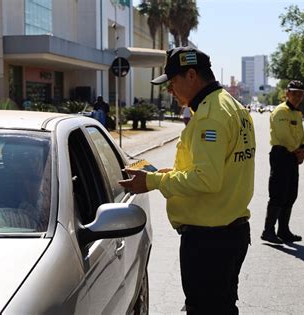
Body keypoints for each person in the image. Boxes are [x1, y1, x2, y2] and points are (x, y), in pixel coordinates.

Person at [119, 47, 255, 314]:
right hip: (230, 234)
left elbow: (206, 180)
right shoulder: (232, 106)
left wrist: (153, 182)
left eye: (172, 82)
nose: (170, 90)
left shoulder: (209, 116)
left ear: (191, 75)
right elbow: (216, 170)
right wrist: (167, 174)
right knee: (223, 307)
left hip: (210, 242)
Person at [260, 80, 304, 244]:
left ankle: (283, 230)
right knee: (278, 194)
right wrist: (298, 151)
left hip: (293, 156)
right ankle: (268, 231)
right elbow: (284, 136)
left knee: (290, 194)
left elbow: (301, 134)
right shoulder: (281, 111)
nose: (297, 97)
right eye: (294, 93)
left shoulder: (297, 113)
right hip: (281, 155)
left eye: (300, 94)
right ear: (287, 94)